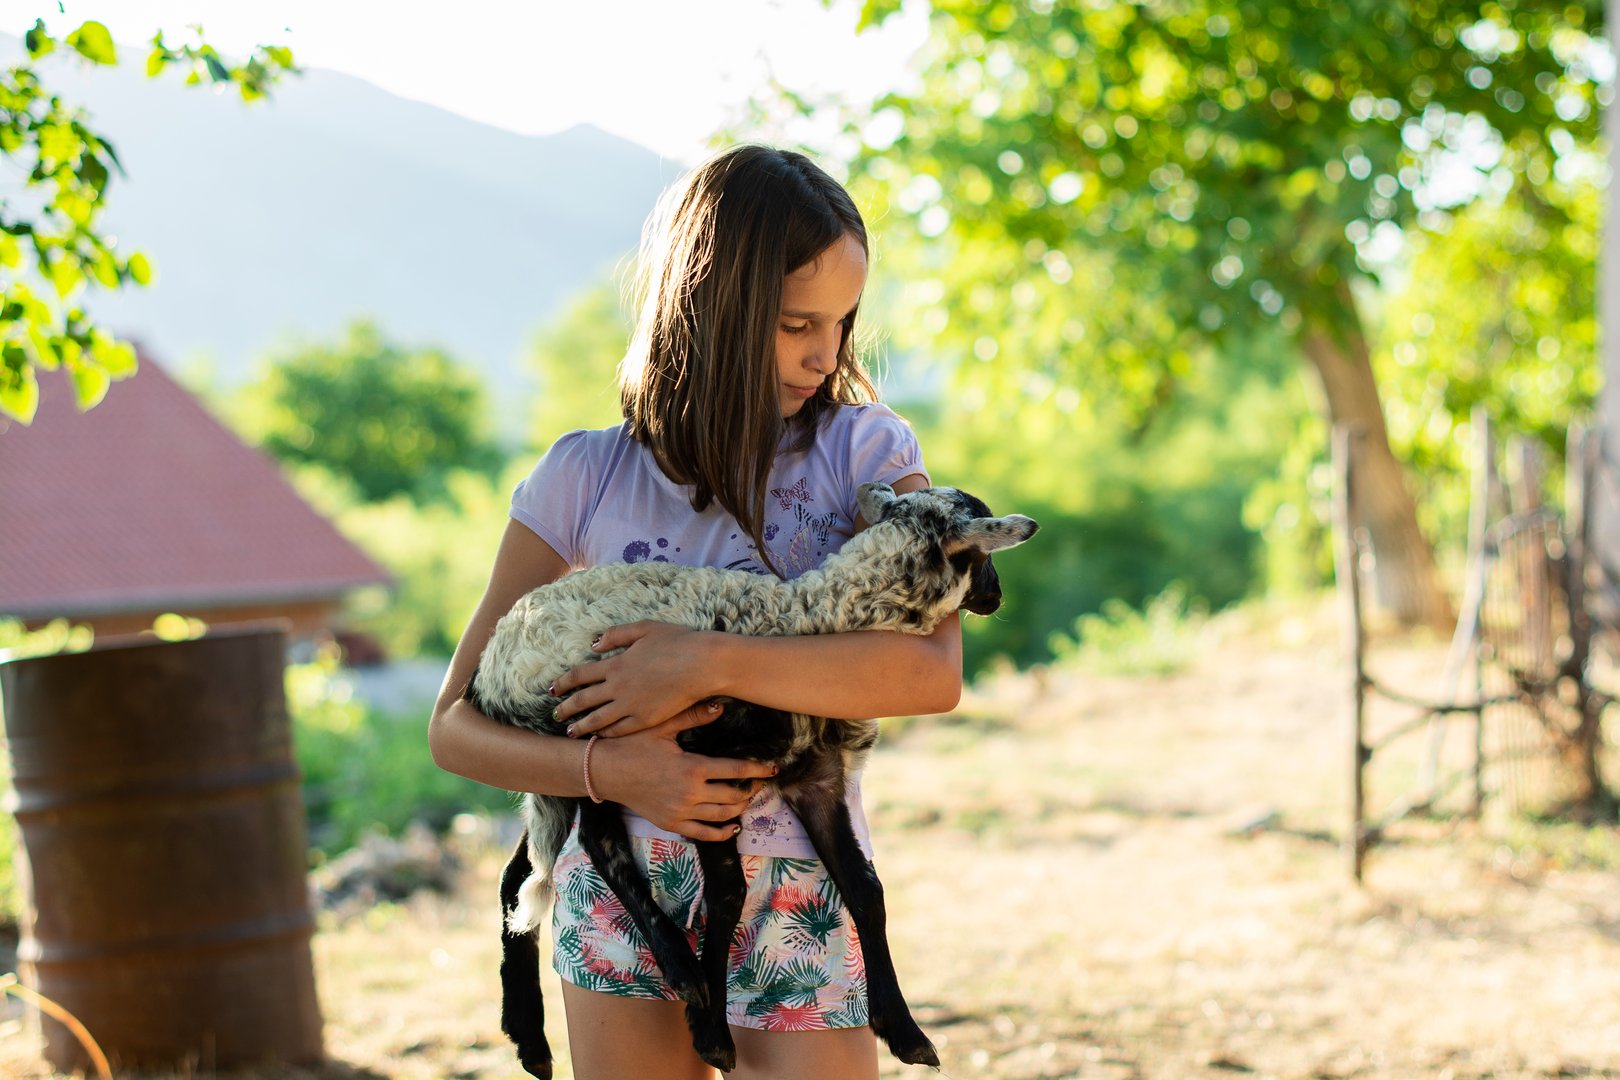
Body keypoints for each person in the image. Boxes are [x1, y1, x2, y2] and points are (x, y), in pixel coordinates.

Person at [428, 144, 963, 1080]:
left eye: (841, 323)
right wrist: (609, 768)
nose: (825, 354)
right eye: (797, 322)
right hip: (618, 892)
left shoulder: (863, 456)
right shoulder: (582, 479)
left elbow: (929, 673)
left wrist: (704, 660)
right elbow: (454, 727)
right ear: (712, 309)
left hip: (795, 882)